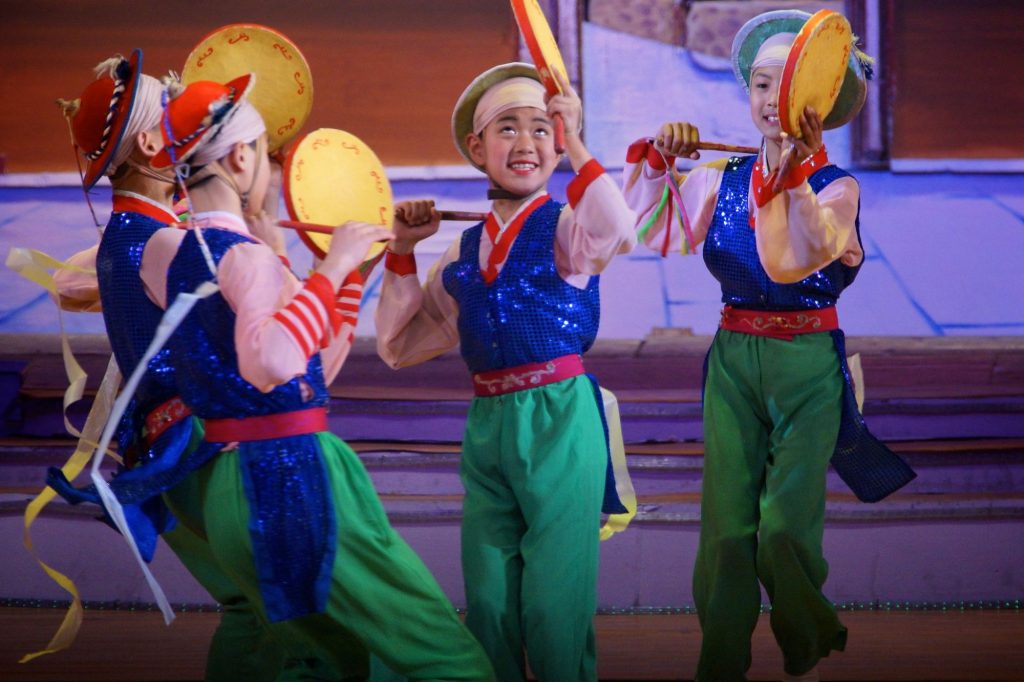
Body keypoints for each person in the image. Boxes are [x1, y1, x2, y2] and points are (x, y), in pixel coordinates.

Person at [137, 74, 494, 681]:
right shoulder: (245, 257)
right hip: (292, 474)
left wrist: (348, 276)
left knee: (325, 659)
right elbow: (271, 361)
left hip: (230, 487)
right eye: (268, 160)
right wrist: (335, 266)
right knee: (444, 655)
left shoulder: (168, 251)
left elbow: (306, 370)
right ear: (242, 156)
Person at [622, 10, 915, 681]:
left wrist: (788, 177)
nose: (769, 100)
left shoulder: (836, 188)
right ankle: (719, 663)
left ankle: (806, 632)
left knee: (783, 528)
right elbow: (657, 233)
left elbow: (804, 255)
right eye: (759, 85)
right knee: (726, 530)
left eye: (785, 86)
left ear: (817, 102)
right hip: (733, 361)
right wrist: (663, 163)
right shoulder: (720, 178)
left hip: (808, 364)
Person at [44, 51, 332, 681]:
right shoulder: (169, 241)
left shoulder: (126, 238)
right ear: (153, 143)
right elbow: (262, 342)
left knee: (246, 612)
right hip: (206, 450)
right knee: (293, 619)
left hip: (154, 453)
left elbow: (67, 284)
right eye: (172, 120)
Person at [374, 62, 635, 681]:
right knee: (488, 601)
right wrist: (403, 251)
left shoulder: (567, 230)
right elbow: (398, 345)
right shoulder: (462, 252)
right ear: (476, 148)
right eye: (508, 129)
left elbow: (617, 228)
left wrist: (577, 141)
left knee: (553, 601)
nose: (527, 143)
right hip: (488, 424)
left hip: (561, 418)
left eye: (542, 129)